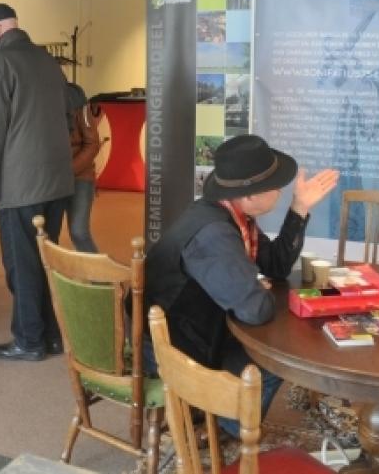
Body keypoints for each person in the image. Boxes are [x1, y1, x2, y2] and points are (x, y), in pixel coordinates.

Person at [142, 134, 339, 436]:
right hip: (174, 346)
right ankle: (229, 427)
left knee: (266, 340)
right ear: (250, 195)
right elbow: (255, 310)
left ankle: (222, 416)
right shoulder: (215, 234)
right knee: (272, 358)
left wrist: (300, 207)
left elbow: (275, 265)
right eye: (275, 185)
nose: (281, 190)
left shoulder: (233, 215)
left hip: (196, 326)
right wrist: (256, 286)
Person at [0, 3, 74, 362]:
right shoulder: (47, 61)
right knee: (46, 259)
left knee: (22, 264)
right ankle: (52, 336)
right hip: (57, 181)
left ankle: (29, 341)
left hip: (19, 186)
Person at [64, 82, 101, 252]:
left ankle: (99, 278)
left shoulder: (77, 99)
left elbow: (92, 144)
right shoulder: (39, 99)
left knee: (79, 232)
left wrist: (68, 171)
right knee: (46, 234)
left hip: (79, 177)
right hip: (49, 179)